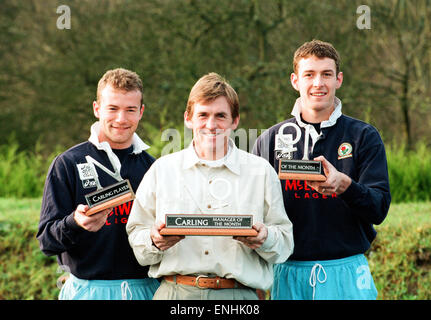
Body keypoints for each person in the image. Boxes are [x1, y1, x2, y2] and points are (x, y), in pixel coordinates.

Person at [126, 72, 294, 300]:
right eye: (203, 115)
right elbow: (137, 235)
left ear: (235, 121)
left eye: (220, 116)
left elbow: (284, 244)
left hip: (238, 297)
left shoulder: (261, 171)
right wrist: (154, 241)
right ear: (188, 118)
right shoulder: (162, 170)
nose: (211, 124)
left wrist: (265, 238)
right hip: (175, 294)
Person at [252, 40, 391, 300]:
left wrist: (346, 186)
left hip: (347, 270)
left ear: (338, 79)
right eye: (309, 75)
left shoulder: (364, 136)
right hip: (287, 271)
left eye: (326, 74)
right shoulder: (269, 140)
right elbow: (254, 212)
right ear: (295, 80)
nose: (318, 83)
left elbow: (379, 208)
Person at [37, 68, 160, 300]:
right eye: (112, 108)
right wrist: (75, 223)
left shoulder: (155, 168)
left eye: (130, 110)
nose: (121, 119)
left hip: (146, 289)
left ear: (141, 112)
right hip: (87, 291)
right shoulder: (67, 163)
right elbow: (46, 241)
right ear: (96, 108)